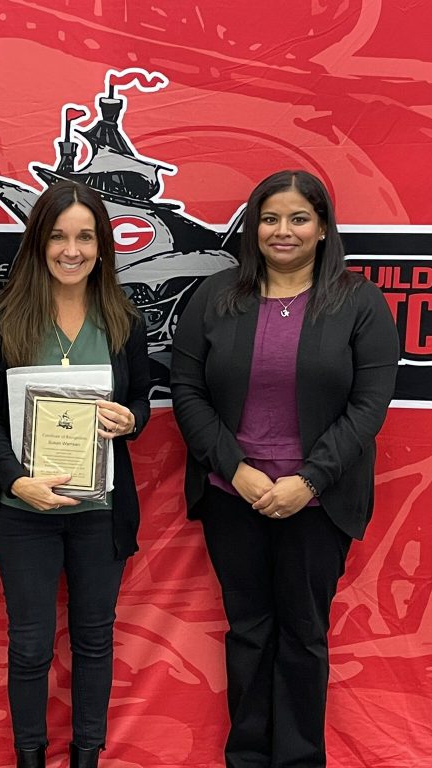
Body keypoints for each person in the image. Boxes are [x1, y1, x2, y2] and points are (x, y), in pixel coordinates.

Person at [170, 170, 399, 768]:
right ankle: (245, 758)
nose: (283, 231)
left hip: (317, 505)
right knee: (248, 632)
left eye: (299, 218)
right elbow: (187, 391)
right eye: (270, 218)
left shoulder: (358, 301)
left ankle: (299, 760)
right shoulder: (217, 297)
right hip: (232, 496)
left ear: (323, 228)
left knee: (303, 636)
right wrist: (236, 470)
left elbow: (370, 405)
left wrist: (310, 480)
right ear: (254, 228)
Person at [0, 181, 151, 768]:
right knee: (29, 646)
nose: (71, 250)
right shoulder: (4, 319)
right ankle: (29, 759)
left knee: (95, 642)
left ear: (102, 245)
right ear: (38, 242)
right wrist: (14, 479)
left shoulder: (124, 320)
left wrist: (130, 420)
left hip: (100, 514)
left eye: (85, 236)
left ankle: (86, 758)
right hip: (25, 512)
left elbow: (142, 402)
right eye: (57, 236)